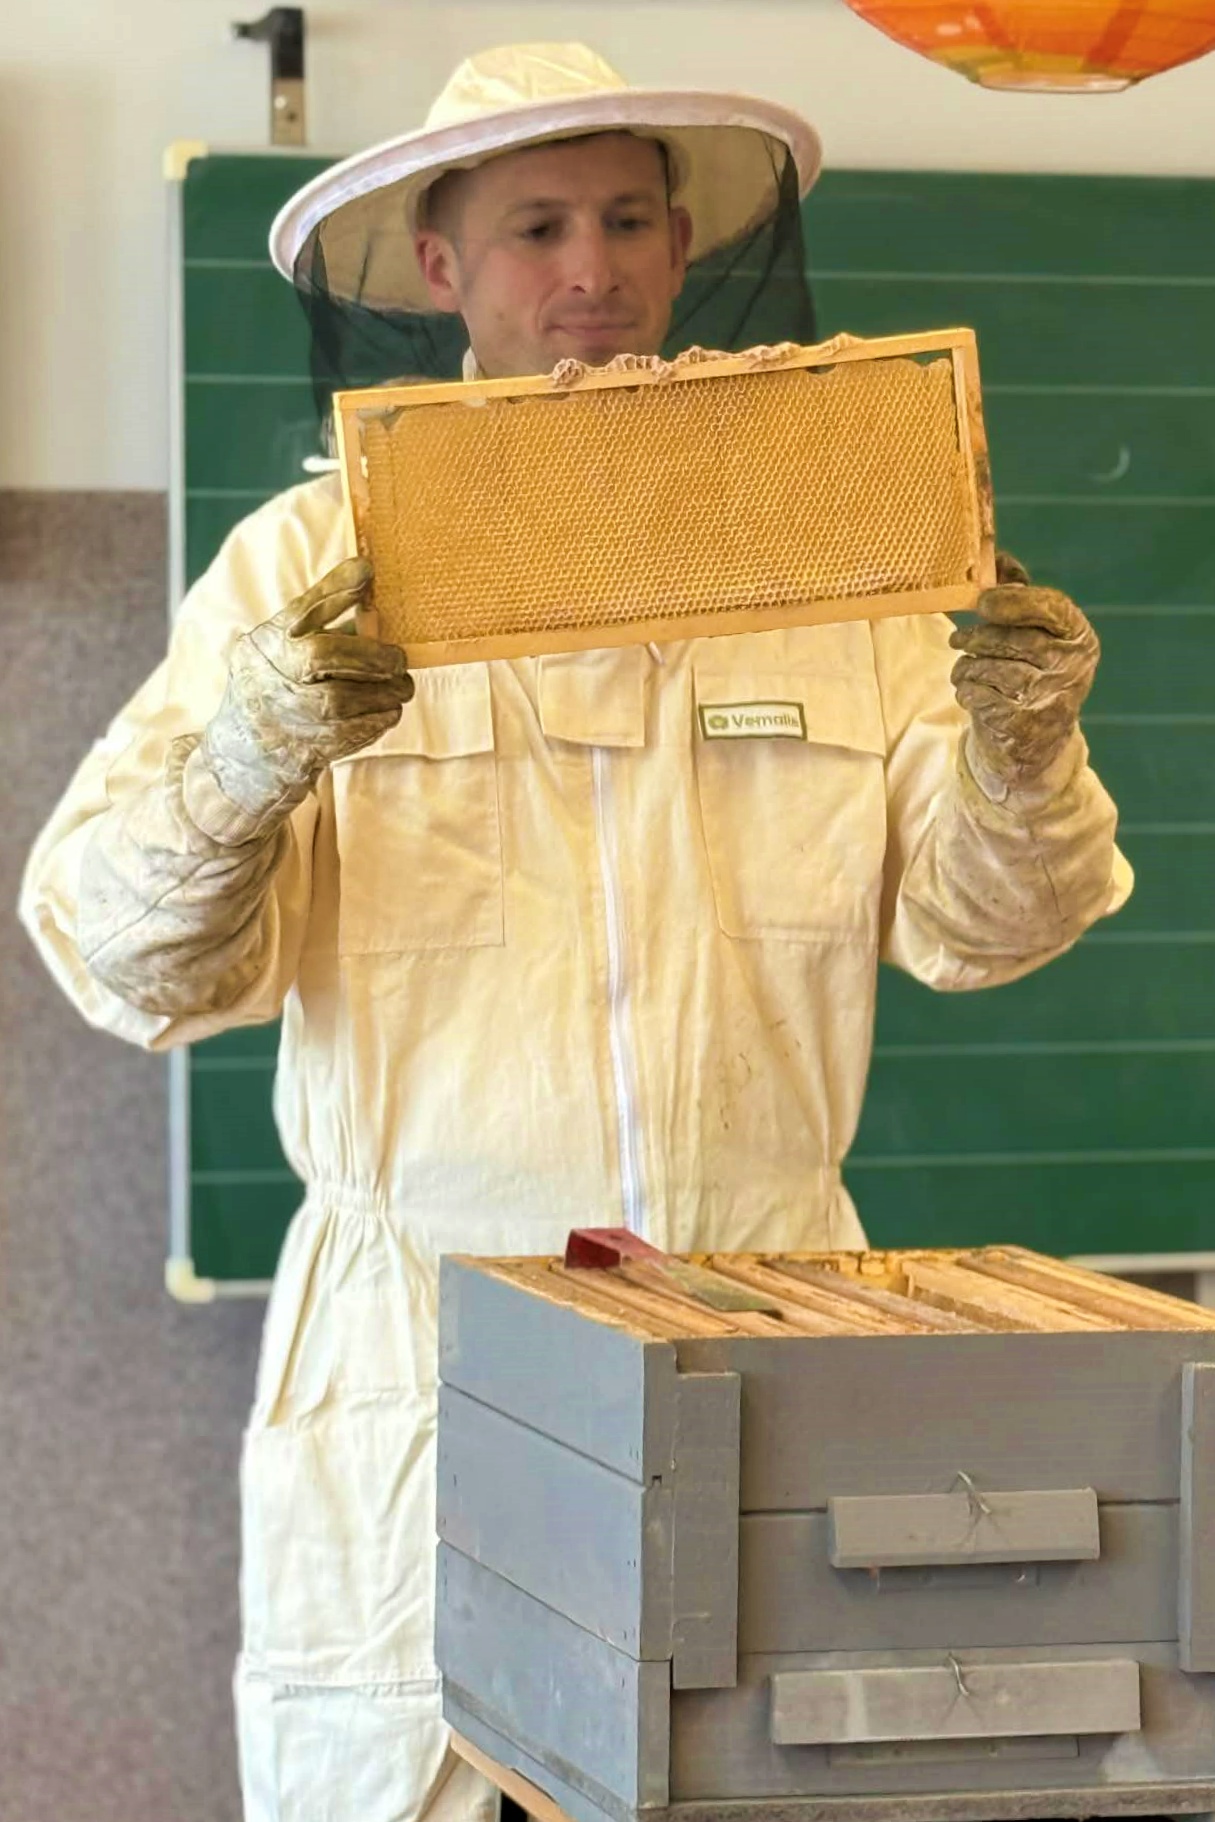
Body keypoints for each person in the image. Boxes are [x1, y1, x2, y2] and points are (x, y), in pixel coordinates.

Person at [19, 40, 1131, 1822]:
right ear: (442, 267)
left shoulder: (824, 564)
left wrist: (1022, 749)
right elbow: (111, 949)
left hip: (769, 1349)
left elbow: (988, 923)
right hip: (424, 1374)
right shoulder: (306, 567)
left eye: (625, 219)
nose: (590, 269)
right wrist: (251, 750)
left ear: (683, 246)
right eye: (536, 228)